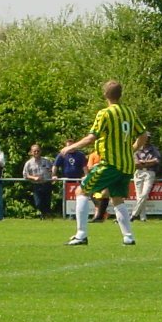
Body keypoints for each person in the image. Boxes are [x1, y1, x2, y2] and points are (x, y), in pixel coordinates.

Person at [61, 80, 147, 246]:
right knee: (117, 199)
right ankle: (128, 237)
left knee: (81, 191)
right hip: (127, 165)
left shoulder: (105, 114)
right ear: (120, 94)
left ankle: (81, 235)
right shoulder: (130, 112)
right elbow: (143, 135)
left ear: (105, 95)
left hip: (111, 164)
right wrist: (132, 149)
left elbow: (92, 137)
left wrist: (71, 147)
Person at [130, 132, 161, 222]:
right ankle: (143, 218)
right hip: (138, 173)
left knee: (144, 194)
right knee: (139, 196)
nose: (147, 140)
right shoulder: (136, 148)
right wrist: (147, 162)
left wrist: (143, 162)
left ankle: (133, 215)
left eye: (148, 138)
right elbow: (135, 163)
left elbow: (156, 160)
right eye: (146, 138)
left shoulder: (153, 149)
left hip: (149, 172)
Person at [22, 144, 54, 219]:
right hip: (36, 185)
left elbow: (53, 170)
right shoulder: (28, 163)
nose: (36, 152)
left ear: (40, 151)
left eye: (38, 151)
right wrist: (34, 178)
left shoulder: (47, 161)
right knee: (38, 203)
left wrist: (53, 175)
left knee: (47, 202)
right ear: (31, 152)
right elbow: (25, 175)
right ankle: (44, 214)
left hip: (46, 184)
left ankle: (46, 216)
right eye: (34, 151)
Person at [87, 151, 110, 222]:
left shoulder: (109, 154)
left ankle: (99, 216)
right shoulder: (93, 155)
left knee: (105, 195)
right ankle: (101, 214)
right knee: (93, 194)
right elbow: (90, 167)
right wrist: (97, 165)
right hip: (96, 178)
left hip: (107, 177)